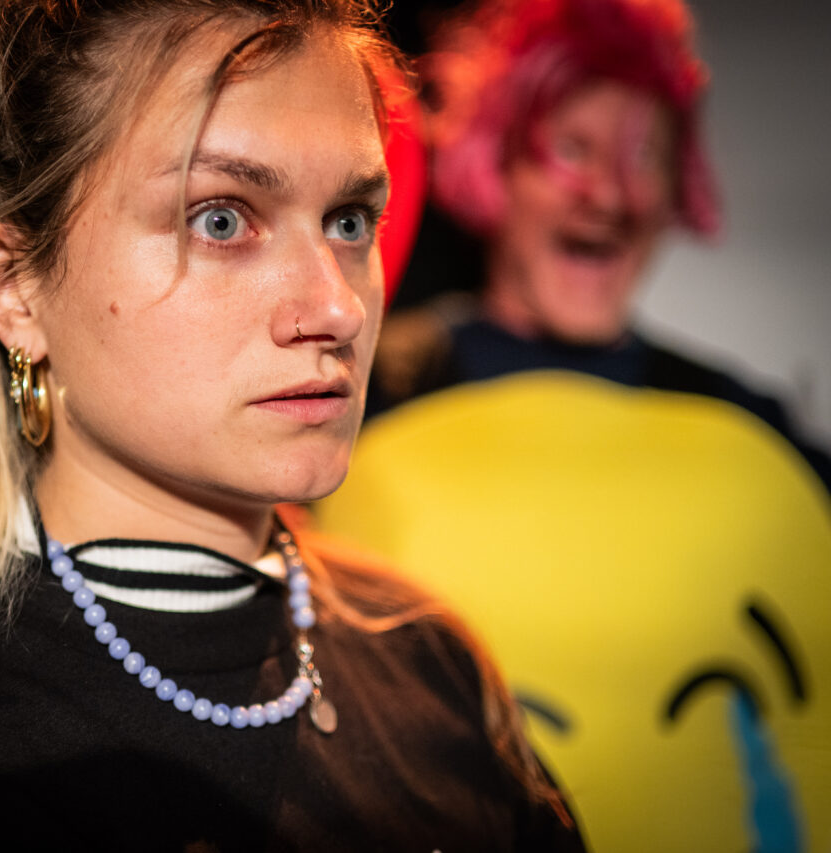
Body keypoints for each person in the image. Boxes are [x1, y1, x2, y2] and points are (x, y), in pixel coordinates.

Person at [0, 2, 585, 850]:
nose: (337, 307)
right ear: (12, 288)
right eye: (220, 219)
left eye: (349, 220)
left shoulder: (433, 660)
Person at [318, 0, 831, 850]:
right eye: (572, 149)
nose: (610, 193)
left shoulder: (748, 427)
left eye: (645, 156)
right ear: (497, 162)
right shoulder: (360, 389)